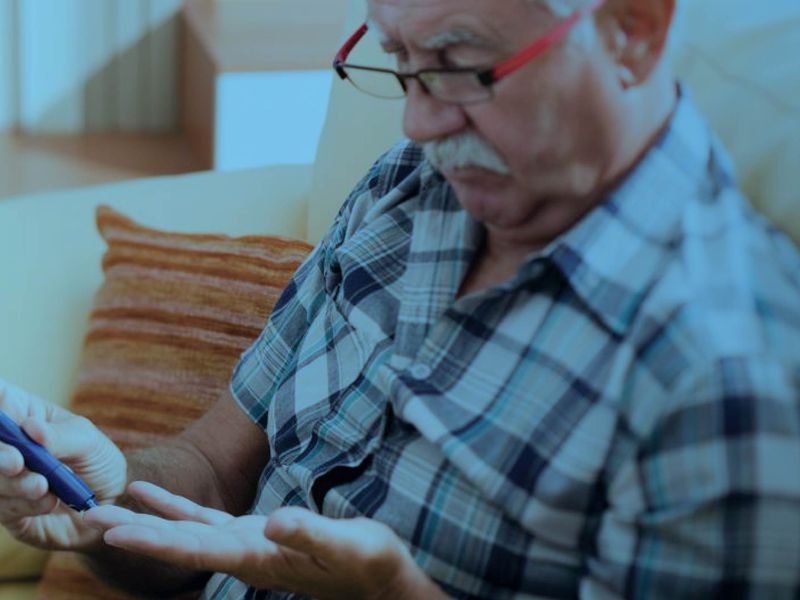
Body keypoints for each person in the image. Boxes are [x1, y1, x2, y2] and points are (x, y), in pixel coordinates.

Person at [1, 0, 799, 597]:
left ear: (635, 28)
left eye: (459, 64)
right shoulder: (410, 185)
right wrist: (105, 497)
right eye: (400, 61)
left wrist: (399, 596)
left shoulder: (727, 379)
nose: (417, 121)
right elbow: (211, 470)